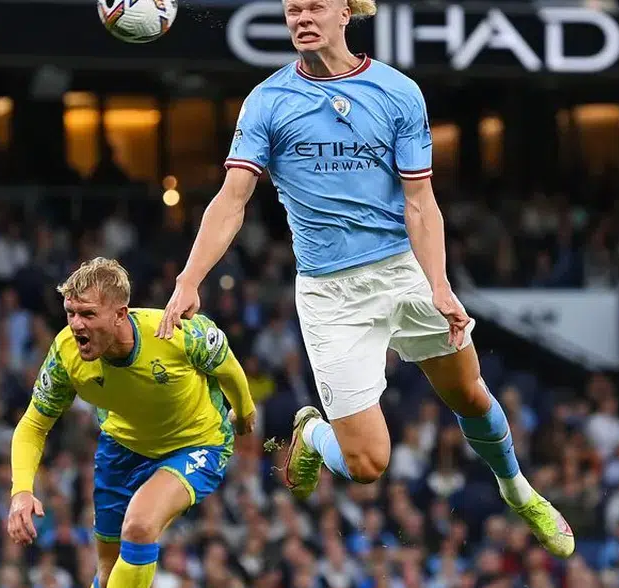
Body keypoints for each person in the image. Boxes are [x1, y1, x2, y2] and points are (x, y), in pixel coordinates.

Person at [157, 0, 572, 559]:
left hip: (403, 271)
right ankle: (311, 435)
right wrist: (189, 280)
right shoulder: (268, 101)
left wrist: (440, 285)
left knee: (470, 396)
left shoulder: (397, 92)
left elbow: (420, 203)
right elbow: (232, 200)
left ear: (345, 12)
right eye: (291, 9)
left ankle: (518, 491)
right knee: (368, 464)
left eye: (314, 7)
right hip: (332, 296)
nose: (301, 17)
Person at [7, 258, 255, 588]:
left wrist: (243, 413)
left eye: (87, 314)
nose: (76, 325)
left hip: (195, 443)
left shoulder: (178, 333)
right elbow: (32, 425)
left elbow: (230, 368)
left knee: (139, 527)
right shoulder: (65, 354)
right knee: (106, 571)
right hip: (121, 449)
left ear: (121, 314)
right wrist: (22, 490)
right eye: (70, 313)